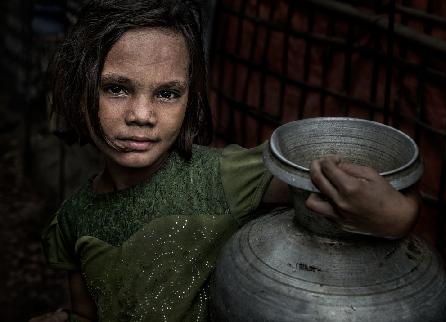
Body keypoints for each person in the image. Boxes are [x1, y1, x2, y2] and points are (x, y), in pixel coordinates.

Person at [30, 0, 419, 321]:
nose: (142, 115)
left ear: (191, 99)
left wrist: (398, 217)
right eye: (117, 89)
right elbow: (88, 312)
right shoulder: (72, 219)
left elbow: (330, 179)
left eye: (167, 94)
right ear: (79, 88)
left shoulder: (223, 176)